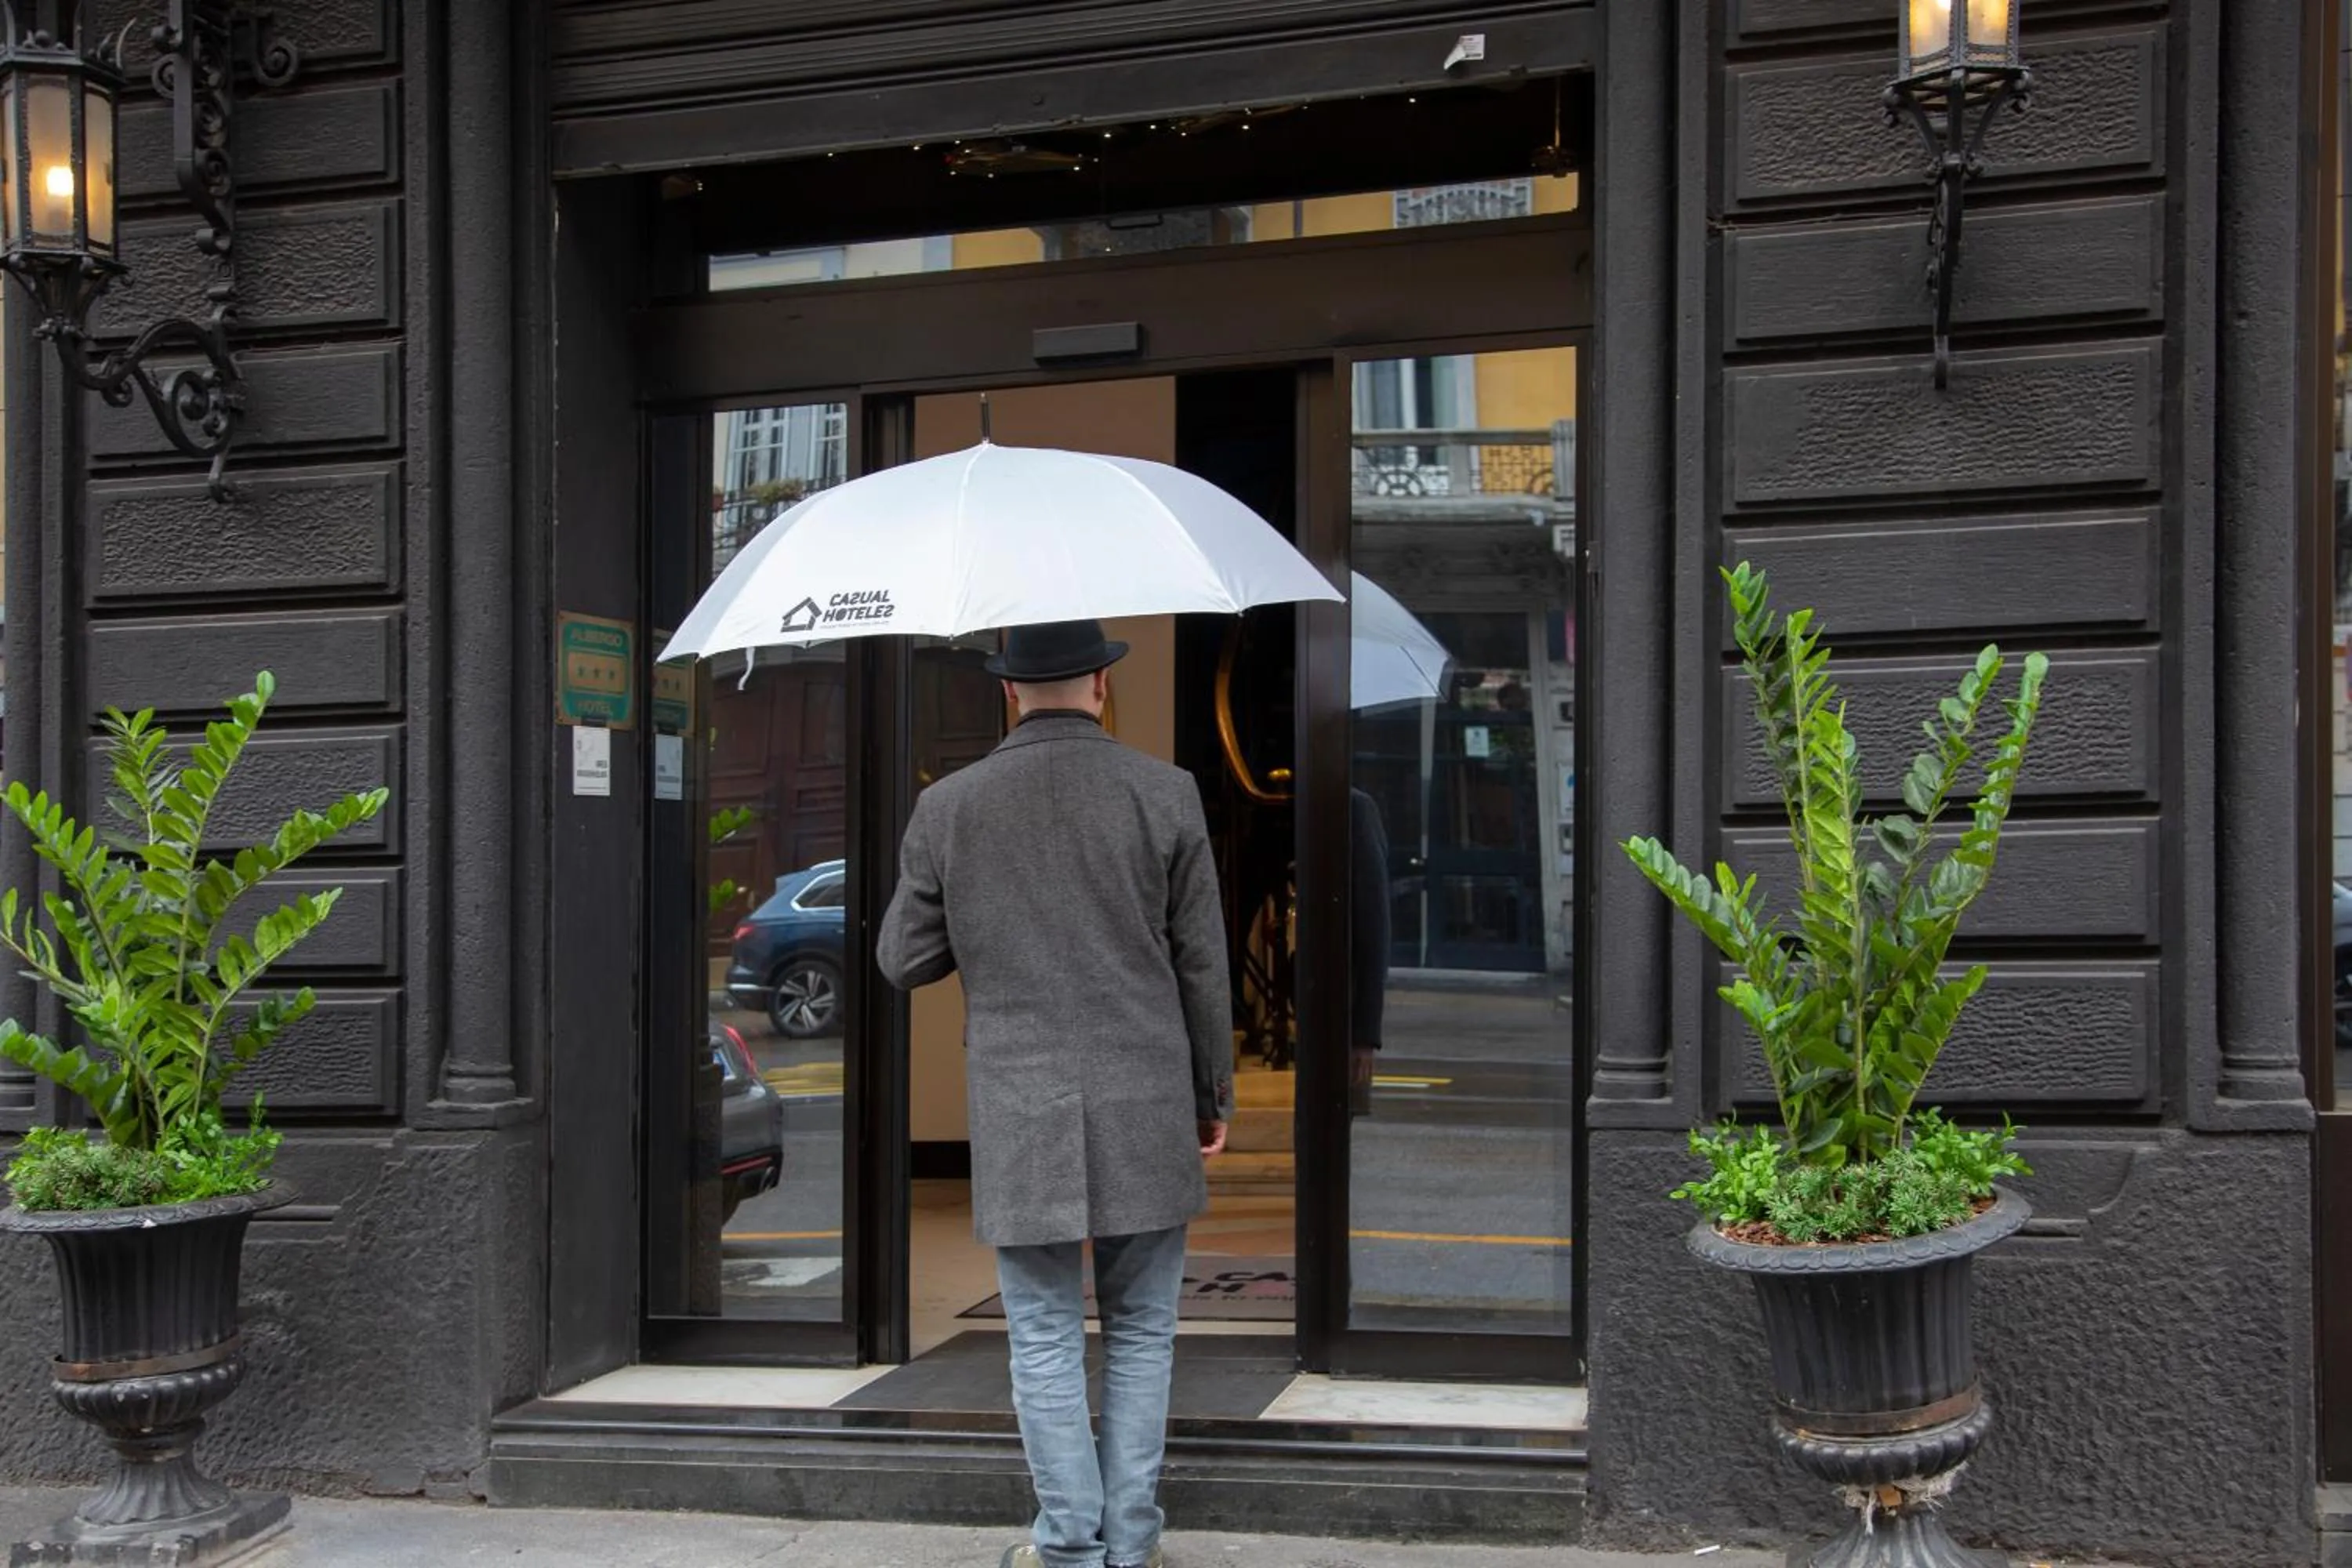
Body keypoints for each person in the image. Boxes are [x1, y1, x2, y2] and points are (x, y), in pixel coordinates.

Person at [877, 618, 1234, 1568]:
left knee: (1039, 1331)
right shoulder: (1166, 792)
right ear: (1101, 686)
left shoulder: (950, 806)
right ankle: (1134, 1543)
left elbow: (902, 959)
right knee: (1144, 1329)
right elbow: (1204, 963)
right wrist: (1213, 1094)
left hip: (1019, 1102)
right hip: (1148, 1092)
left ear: (1008, 690)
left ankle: (1067, 1546)